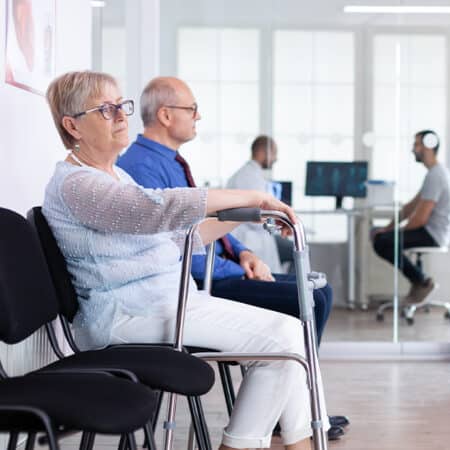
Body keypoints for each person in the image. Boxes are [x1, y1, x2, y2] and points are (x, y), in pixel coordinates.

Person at [42, 70, 324, 450]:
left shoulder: (116, 175)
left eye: (121, 105)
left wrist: (252, 216)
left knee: (288, 334)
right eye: (106, 109)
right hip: (124, 315)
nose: (122, 115)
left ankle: (297, 444)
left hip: (164, 303)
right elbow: (154, 210)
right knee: (283, 337)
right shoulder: (76, 183)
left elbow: (179, 237)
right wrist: (254, 197)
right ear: (73, 125)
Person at [116, 77, 347, 436]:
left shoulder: (172, 162)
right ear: (164, 115)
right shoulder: (141, 168)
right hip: (195, 283)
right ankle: (287, 416)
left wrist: (245, 253)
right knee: (311, 298)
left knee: (317, 291)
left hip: (216, 270)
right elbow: (175, 247)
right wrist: (229, 265)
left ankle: (292, 408)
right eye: (191, 109)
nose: (198, 116)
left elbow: (204, 221)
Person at [371, 130, 450, 303]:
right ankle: (420, 281)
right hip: (429, 232)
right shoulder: (433, 174)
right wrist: (388, 228)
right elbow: (411, 207)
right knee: (381, 234)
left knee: (382, 241)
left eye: (416, 144)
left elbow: (420, 219)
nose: (413, 149)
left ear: (429, 146)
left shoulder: (436, 176)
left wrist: (392, 232)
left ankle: (422, 281)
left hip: (432, 235)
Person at [225, 135, 282, 271]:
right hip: (250, 239)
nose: (275, 159)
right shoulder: (250, 178)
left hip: (252, 236)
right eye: (274, 154)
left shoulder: (248, 174)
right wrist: (277, 221)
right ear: (264, 153)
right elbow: (258, 217)